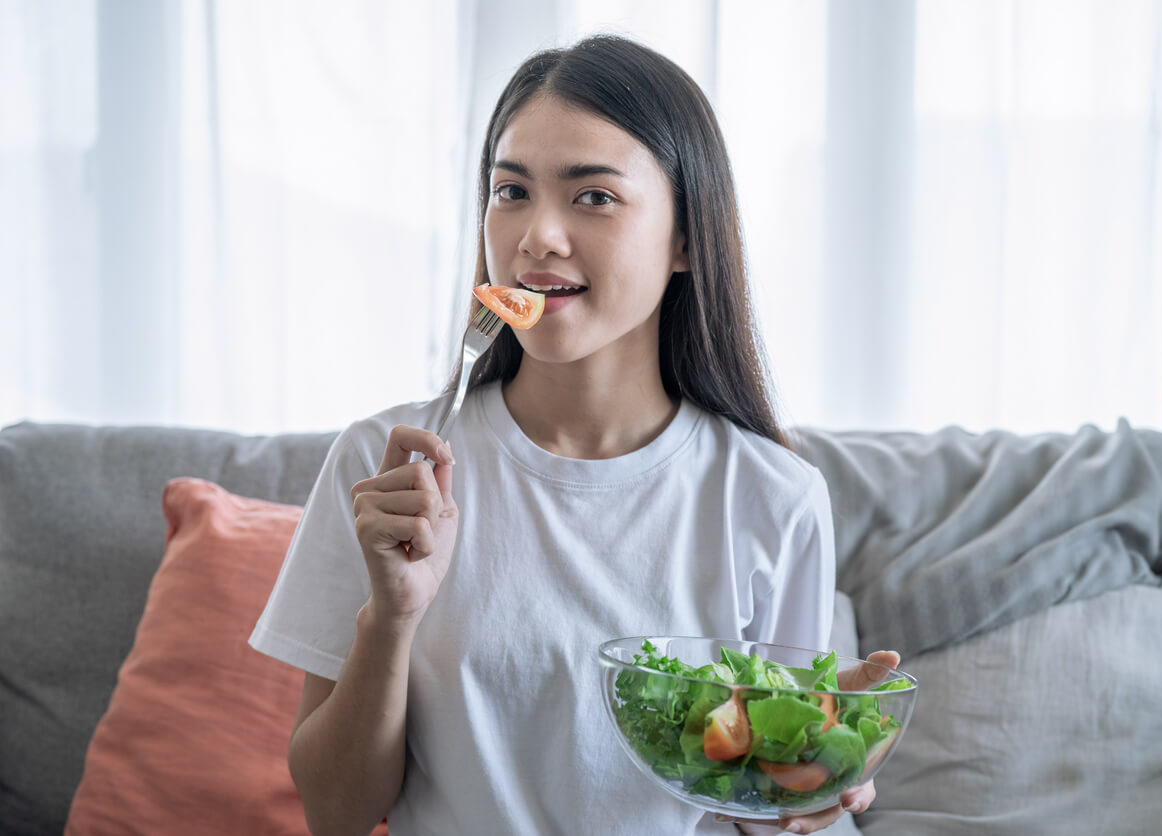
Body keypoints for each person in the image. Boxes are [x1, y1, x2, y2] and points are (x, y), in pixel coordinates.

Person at [250, 33, 898, 836]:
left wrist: (810, 789)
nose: (535, 239)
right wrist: (390, 617)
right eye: (511, 191)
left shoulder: (774, 498)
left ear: (688, 239)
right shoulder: (387, 461)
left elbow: (751, 806)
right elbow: (337, 814)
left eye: (592, 197)